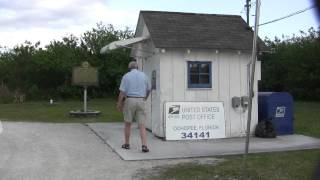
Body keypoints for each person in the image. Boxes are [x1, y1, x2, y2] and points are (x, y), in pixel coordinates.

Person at [116, 60, 151, 153]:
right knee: (142, 125)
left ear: (129, 68)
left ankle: (127, 144)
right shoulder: (144, 75)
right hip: (141, 99)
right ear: (137, 67)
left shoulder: (126, 76)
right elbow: (148, 89)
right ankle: (144, 145)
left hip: (130, 100)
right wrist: (145, 98)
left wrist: (119, 103)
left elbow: (122, 92)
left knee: (128, 123)